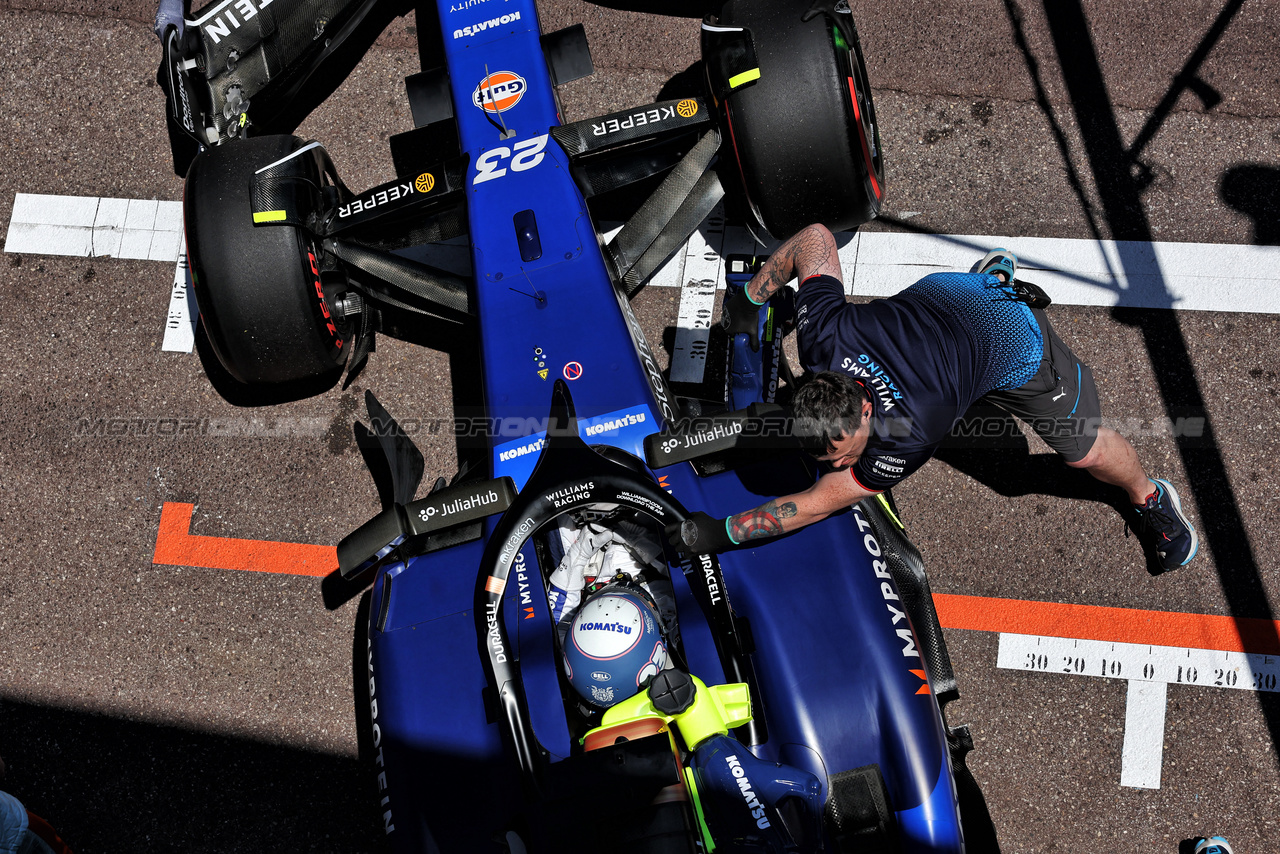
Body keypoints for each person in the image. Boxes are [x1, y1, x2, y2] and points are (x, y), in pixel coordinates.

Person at [672, 223, 1198, 572]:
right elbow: (813, 240)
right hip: (944, 296)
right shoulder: (821, 339)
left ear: (867, 408)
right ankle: (988, 280)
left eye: (846, 453)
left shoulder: (906, 436)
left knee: (1086, 450)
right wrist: (750, 297)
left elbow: (817, 504)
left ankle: (1149, 495)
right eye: (832, 459)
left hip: (1012, 340)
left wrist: (723, 533)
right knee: (960, 356)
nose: (844, 465)